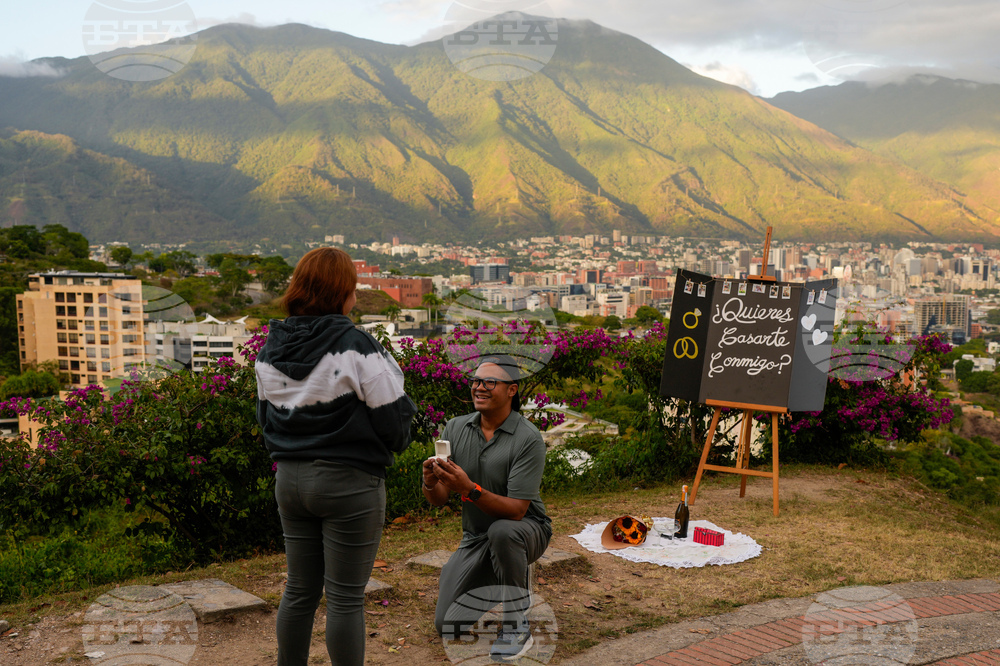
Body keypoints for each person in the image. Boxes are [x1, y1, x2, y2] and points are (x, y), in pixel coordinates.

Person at [255, 247, 416, 666]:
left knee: (299, 590)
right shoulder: (355, 343)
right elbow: (394, 417)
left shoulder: (271, 345)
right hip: (349, 481)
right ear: (343, 290)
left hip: (289, 480)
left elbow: (265, 417)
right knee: (344, 598)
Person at [422, 354, 552, 662]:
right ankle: (502, 574)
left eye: (490, 382)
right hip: (477, 536)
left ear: (511, 390)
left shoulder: (527, 438)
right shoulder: (455, 428)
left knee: (504, 533)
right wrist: (430, 482)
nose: (480, 387)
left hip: (525, 530)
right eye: (476, 381)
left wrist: (468, 489)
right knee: (447, 625)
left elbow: (518, 511)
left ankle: (517, 624)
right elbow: (439, 499)